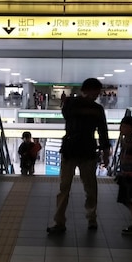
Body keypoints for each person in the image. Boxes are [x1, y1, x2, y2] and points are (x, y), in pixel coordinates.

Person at [47, 78, 110, 233]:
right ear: (87, 90)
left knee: (66, 187)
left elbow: (102, 131)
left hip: (72, 149)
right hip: (85, 150)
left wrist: (106, 152)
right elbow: (103, 132)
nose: (97, 94)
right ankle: (90, 219)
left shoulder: (75, 104)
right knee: (88, 187)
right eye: (95, 91)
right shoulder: (94, 108)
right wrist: (105, 152)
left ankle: (61, 222)